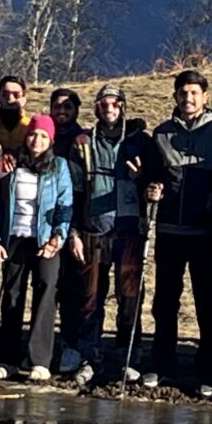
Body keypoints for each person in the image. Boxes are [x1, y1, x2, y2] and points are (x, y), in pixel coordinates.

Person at [145, 69, 212, 395]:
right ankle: (163, 363)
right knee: (165, 301)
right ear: (175, 96)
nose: (188, 99)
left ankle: (208, 369)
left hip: (204, 232)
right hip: (170, 230)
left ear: (205, 96)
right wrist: (151, 189)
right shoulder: (162, 134)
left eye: (194, 93)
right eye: (183, 93)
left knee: (206, 302)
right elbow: (151, 176)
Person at [68, 85, 152, 382]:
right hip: (94, 229)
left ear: (123, 106)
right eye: (103, 103)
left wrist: (142, 179)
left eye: (114, 103)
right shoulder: (83, 144)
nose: (109, 108)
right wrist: (74, 231)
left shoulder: (141, 141)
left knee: (129, 296)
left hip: (129, 230)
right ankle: (90, 356)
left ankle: (127, 355)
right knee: (90, 297)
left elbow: (156, 182)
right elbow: (74, 193)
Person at [0, 113, 81, 381]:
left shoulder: (59, 166)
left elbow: (66, 204)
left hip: (45, 240)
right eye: (33, 134)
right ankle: (8, 358)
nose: (36, 140)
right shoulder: (13, 165)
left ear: (50, 139)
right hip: (16, 237)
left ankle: (39, 360)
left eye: (43, 135)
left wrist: (58, 238)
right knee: (12, 295)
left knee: (45, 294)